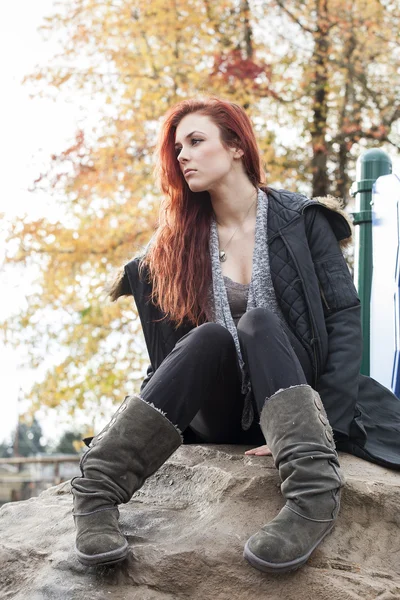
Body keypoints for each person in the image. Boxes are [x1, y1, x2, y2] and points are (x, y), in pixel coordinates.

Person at [71, 96, 400, 573]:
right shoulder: (170, 248)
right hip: (219, 413)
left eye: (196, 141)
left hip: (294, 411)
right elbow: (170, 357)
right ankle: (97, 492)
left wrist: (325, 419)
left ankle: (312, 496)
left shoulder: (302, 220)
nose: (182, 155)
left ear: (237, 147)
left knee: (259, 322)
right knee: (209, 338)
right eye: (178, 146)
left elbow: (345, 323)